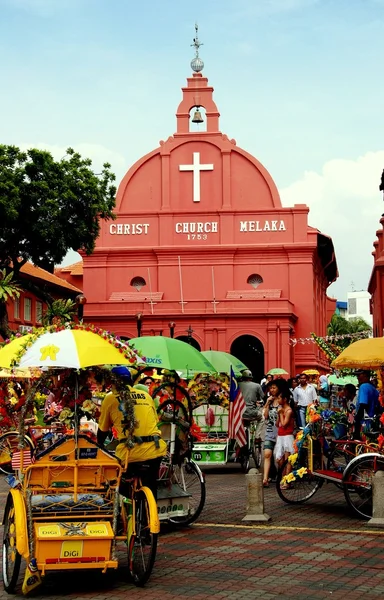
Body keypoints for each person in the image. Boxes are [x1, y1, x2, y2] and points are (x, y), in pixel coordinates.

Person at [97, 366, 167, 498]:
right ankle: (151, 512)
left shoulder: (111, 398)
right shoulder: (146, 396)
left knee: (119, 484)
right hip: (156, 450)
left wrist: (99, 445)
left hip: (130, 454)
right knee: (151, 485)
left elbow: (103, 430)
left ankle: (128, 512)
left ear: (113, 382)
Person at [262, 379, 290, 487]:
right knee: (267, 454)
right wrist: (267, 403)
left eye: (274, 388)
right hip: (270, 430)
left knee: (280, 458)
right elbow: (265, 416)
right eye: (270, 388)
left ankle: (283, 477)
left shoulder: (283, 400)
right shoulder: (269, 400)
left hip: (281, 432)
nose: (272, 390)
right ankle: (265, 479)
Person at [274, 390, 295, 483]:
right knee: (279, 459)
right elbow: (277, 424)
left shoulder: (289, 410)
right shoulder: (281, 409)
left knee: (288, 460)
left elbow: (284, 424)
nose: (277, 400)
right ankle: (283, 478)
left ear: (285, 399)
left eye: (279, 398)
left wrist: (281, 413)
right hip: (281, 436)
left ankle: (287, 481)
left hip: (287, 437)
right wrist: (279, 414)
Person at [354, 370, 380, 440]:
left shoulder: (364, 386)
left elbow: (363, 405)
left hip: (365, 423)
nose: (358, 377)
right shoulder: (373, 388)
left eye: (359, 375)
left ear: (365, 375)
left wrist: (357, 422)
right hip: (373, 423)